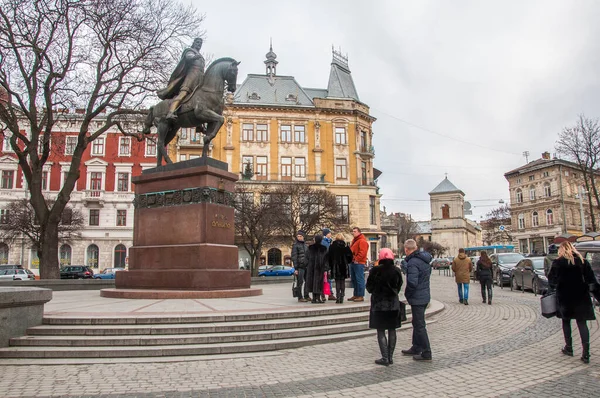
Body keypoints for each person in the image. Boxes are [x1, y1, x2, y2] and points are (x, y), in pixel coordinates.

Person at [548, 241, 597, 364]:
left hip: (565, 297)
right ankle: (586, 353)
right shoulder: (583, 261)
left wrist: (551, 290)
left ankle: (569, 347)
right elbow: (592, 280)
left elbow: (551, 280)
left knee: (566, 321)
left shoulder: (558, 263)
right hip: (581, 296)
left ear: (561, 250)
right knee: (582, 324)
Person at [366, 248, 403, 366]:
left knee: (380, 330)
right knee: (392, 329)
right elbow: (399, 285)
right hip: (393, 303)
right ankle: (390, 357)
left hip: (379, 304)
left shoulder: (375, 270)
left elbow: (369, 288)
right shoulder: (396, 270)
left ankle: (385, 357)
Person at [157, 38, 205, 121]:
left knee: (199, 98)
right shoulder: (190, 51)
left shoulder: (201, 56)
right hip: (191, 76)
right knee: (183, 93)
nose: (199, 44)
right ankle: (170, 112)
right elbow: (188, 57)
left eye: (200, 43)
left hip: (199, 77)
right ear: (193, 43)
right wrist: (194, 57)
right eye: (197, 42)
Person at [401, 239, 432, 361]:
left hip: (417, 297)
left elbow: (412, 283)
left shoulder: (413, 262)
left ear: (406, 249)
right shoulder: (424, 260)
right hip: (424, 295)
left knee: (419, 325)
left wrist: (407, 294)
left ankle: (426, 352)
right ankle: (416, 346)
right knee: (416, 322)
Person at [328, 233, 353, 303]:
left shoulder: (332, 246)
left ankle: (338, 296)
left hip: (335, 266)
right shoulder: (345, 246)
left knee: (337, 282)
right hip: (343, 266)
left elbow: (329, 257)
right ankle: (342, 296)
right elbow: (350, 256)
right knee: (342, 281)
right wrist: (346, 262)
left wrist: (330, 265)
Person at [306, 234, 329, 304]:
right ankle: (318, 298)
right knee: (319, 283)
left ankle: (314, 298)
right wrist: (326, 268)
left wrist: (306, 265)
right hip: (320, 268)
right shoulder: (324, 248)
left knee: (313, 282)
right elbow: (326, 259)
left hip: (311, 268)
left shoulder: (310, 248)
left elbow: (306, 258)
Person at [348, 227, 369, 302]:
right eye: (353, 231)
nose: (353, 233)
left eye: (355, 231)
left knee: (359, 279)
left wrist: (356, 259)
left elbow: (362, 252)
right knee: (354, 279)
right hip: (354, 262)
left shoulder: (361, 241)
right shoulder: (355, 240)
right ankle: (356, 294)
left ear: (359, 232)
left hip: (358, 263)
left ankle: (360, 295)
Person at [291, 231, 310, 302]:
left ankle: (306, 295)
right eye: (298, 236)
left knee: (307, 281)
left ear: (303, 237)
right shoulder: (295, 245)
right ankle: (300, 297)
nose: (299, 237)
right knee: (300, 282)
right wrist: (296, 268)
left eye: (300, 236)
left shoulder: (306, 245)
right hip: (300, 266)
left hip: (306, 266)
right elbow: (294, 257)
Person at [321, 228, 336, 301]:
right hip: (326, 263)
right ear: (326, 234)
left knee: (328, 279)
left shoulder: (329, 241)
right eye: (329, 233)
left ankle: (330, 293)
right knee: (325, 279)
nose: (330, 234)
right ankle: (326, 293)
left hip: (329, 263)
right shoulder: (324, 242)